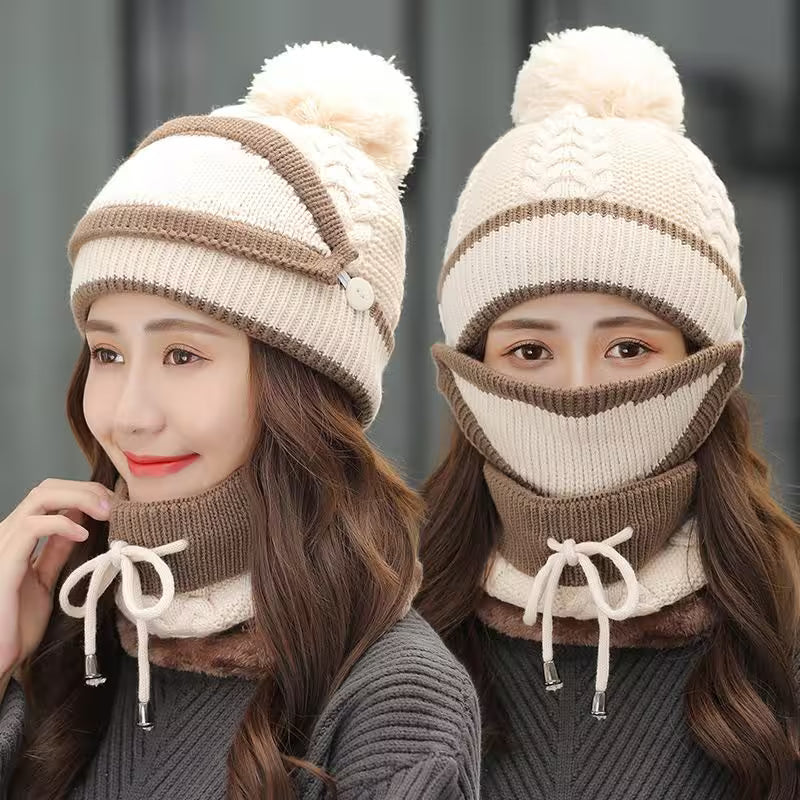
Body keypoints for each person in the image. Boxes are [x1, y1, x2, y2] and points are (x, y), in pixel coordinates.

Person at [0, 41, 480, 800]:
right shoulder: (69, 652)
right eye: (107, 353)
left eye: (183, 356)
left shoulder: (395, 699)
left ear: (302, 383)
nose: (127, 416)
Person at [416, 26, 799, 800]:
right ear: (468, 373)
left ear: (707, 364)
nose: (581, 391)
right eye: (529, 351)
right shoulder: (382, 614)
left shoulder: (784, 621)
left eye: (628, 348)